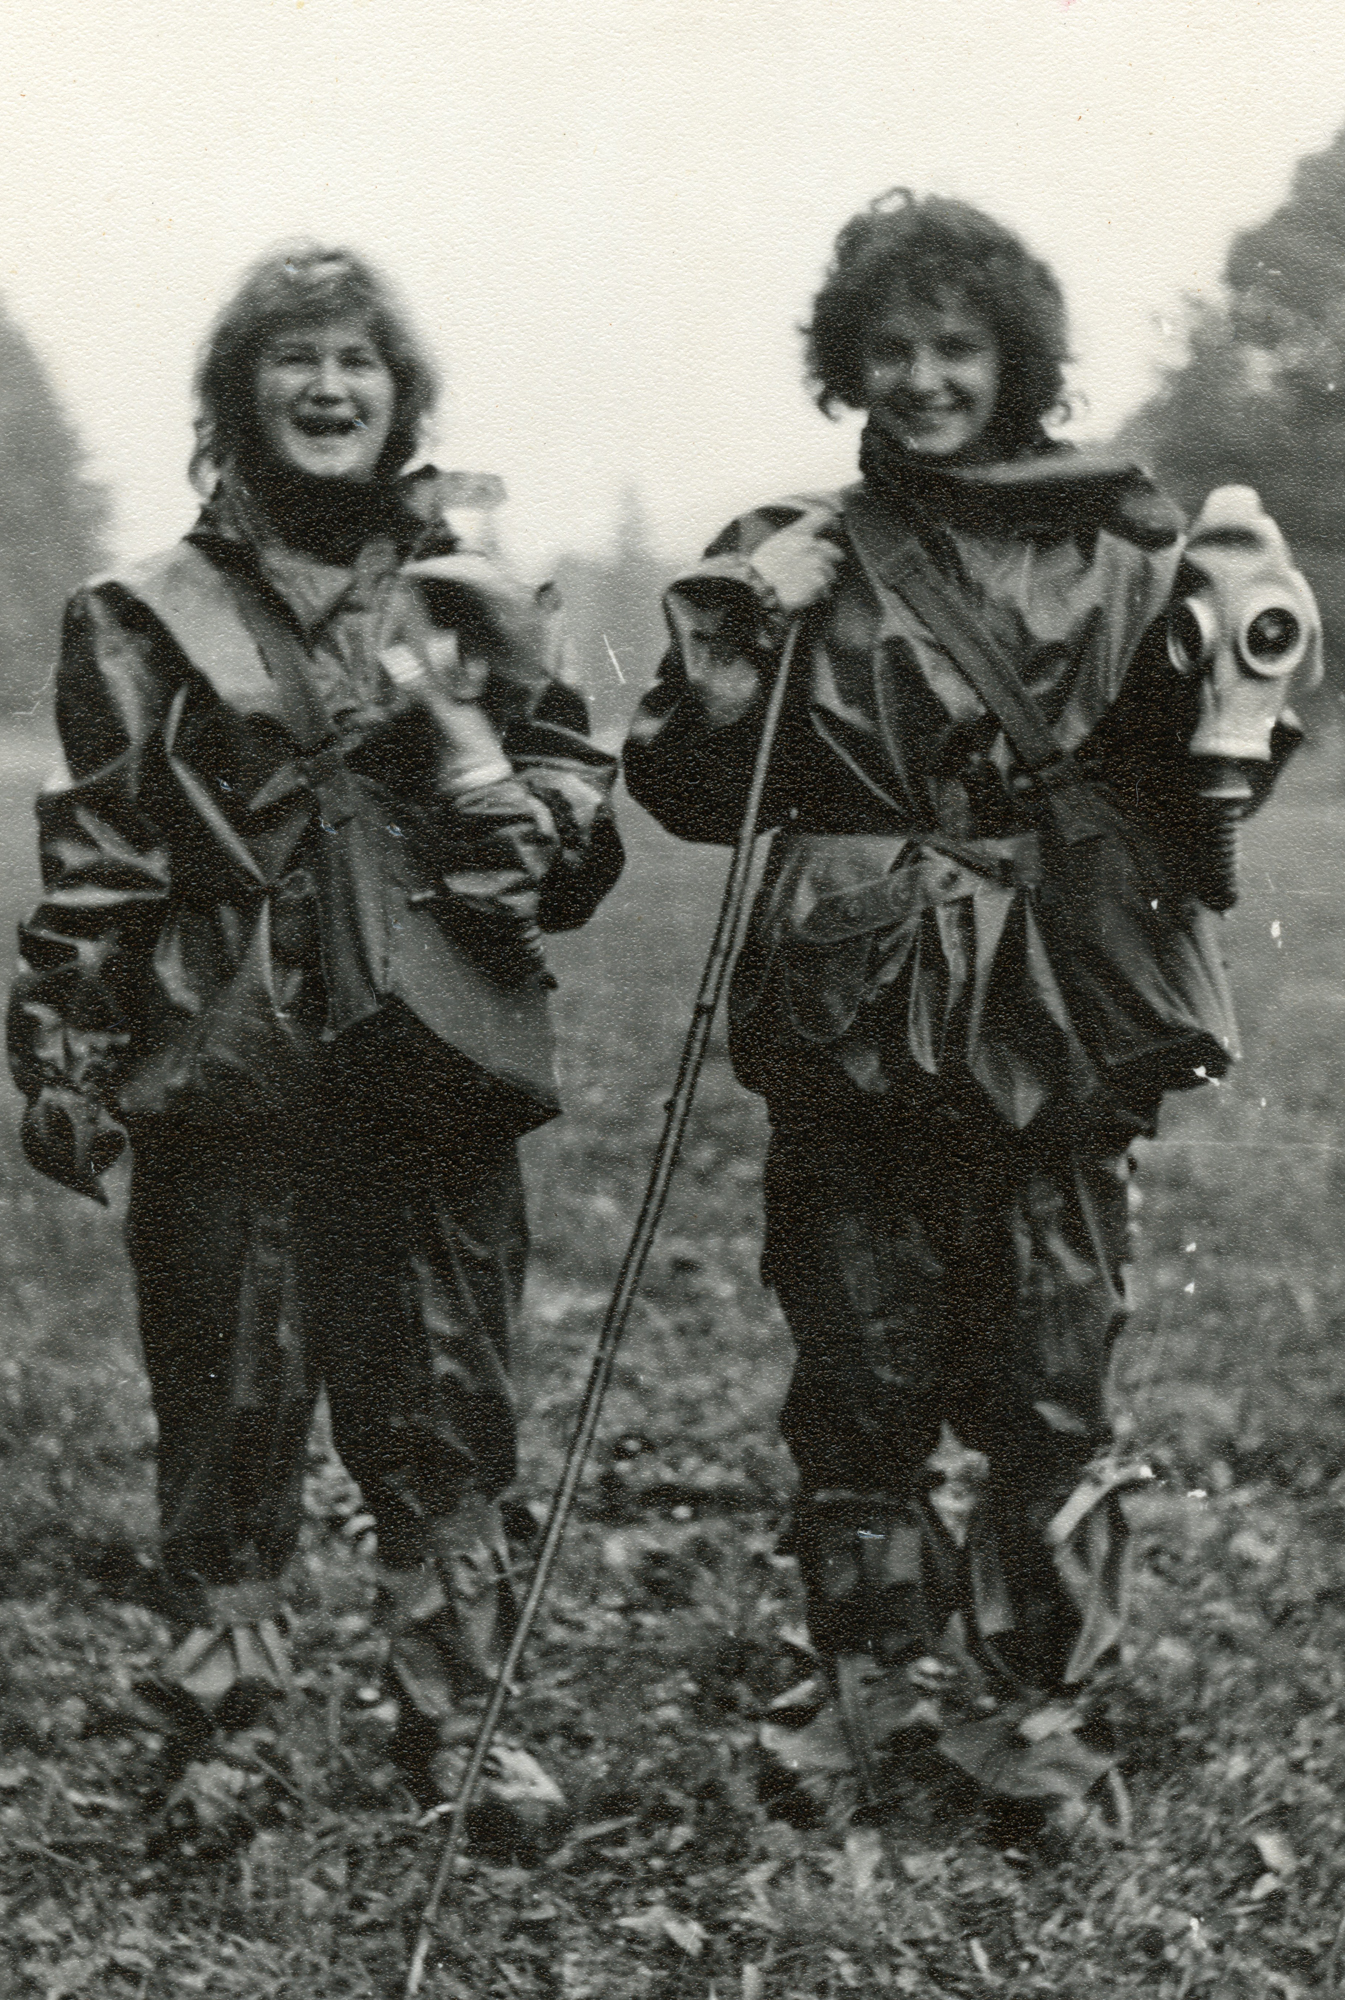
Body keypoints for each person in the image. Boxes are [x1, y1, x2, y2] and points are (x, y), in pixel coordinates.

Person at [623, 192, 1316, 1832]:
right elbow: (684, 788)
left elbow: (1210, 779)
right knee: (856, 1364)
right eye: (891, 348)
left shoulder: (1125, 549)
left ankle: (1032, 1712)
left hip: (1057, 1008)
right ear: (844, 363)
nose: (925, 378)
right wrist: (744, 622)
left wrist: (1247, 659)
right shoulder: (789, 546)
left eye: (957, 346)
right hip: (853, 1012)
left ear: (1016, 358)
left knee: (1049, 1368)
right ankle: (864, 1695)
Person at [8, 243, 622, 1831]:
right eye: (295, 357)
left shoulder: (477, 592)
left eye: (358, 359)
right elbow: (100, 850)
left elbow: (571, 785)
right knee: (227, 1397)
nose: (329, 387)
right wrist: (64, 1039)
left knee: (446, 1391)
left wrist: (534, 814)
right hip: (224, 1054)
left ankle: (459, 1726)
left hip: (433, 1047)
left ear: (401, 395)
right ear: (239, 392)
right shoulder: (141, 614)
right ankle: (228, 1732)